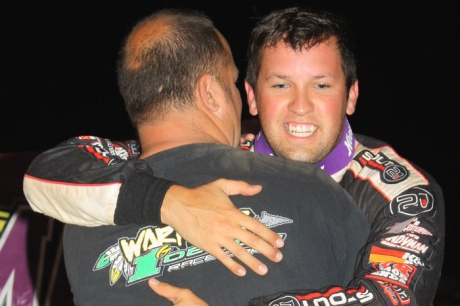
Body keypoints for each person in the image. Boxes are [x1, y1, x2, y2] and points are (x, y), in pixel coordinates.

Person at [23, 6, 444, 306]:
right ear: (251, 96)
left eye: (321, 86)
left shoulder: (399, 190)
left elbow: (389, 297)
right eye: (280, 85)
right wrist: (169, 201)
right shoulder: (218, 153)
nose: (300, 106)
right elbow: (59, 166)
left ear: (351, 95)